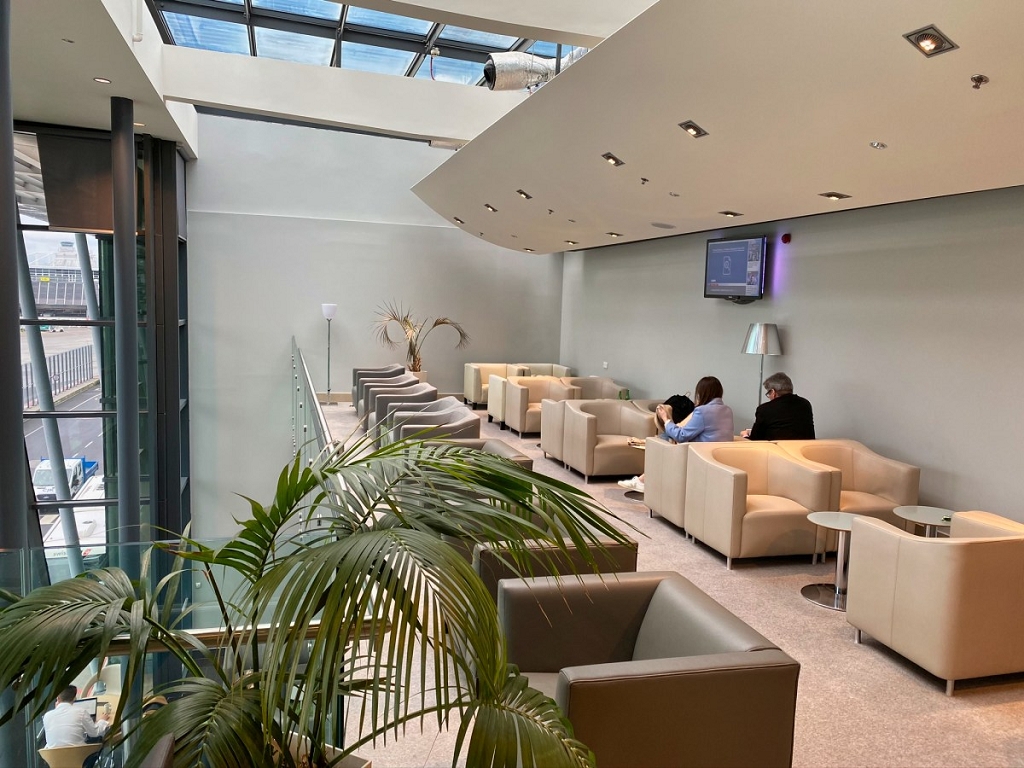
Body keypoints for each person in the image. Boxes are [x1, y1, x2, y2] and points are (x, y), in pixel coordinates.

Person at [619, 377, 734, 492]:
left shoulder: (702, 411)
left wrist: (666, 420)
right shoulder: (727, 410)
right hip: (720, 454)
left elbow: (681, 436)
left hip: (702, 455)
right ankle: (643, 480)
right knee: (666, 438)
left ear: (701, 393)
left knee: (663, 442)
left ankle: (643, 481)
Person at [42, 685, 111, 760]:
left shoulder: (47, 716)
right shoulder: (81, 712)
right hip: (79, 760)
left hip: (55, 761)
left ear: (58, 698)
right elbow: (95, 733)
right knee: (97, 738)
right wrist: (102, 720)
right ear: (74, 698)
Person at [741, 372, 815, 441]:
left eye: (768, 393)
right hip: (805, 449)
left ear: (773, 392)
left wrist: (745, 435)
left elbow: (755, 439)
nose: (769, 397)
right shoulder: (805, 404)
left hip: (777, 449)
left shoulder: (765, 409)